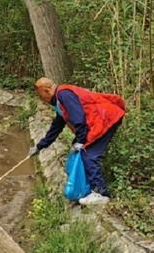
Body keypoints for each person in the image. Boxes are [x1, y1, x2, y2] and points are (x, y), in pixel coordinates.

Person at [28, 77, 126, 206]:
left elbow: (78, 117)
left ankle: (102, 194)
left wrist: (80, 141)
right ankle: (89, 188)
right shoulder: (60, 101)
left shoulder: (64, 95)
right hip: (101, 120)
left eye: (41, 96)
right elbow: (56, 127)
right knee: (83, 152)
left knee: (88, 155)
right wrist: (40, 146)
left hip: (104, 119)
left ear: (46, 91)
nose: (42, 100)